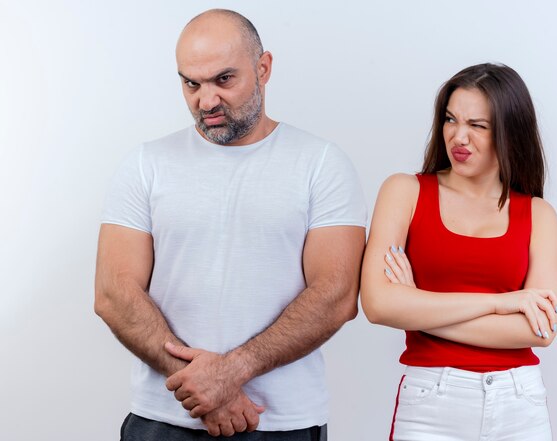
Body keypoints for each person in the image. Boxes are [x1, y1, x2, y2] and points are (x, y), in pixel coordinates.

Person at [94, 9, 366, 441]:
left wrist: (232, 372)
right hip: (163, 419)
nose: (206, 101)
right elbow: (114, 294)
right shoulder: (146, 164)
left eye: (224, 79)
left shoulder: (321, 164)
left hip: (281, 421)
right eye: (191, 83)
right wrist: (201, 385)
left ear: (263, 68)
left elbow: (336, 295)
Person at [360, 63, 557, 441]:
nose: (459, 136)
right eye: (451, 119)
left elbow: (540, 328)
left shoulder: (539, 214)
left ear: (509, 132)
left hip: (519, 402)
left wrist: (417, 306)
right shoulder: (404, 192)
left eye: (478, 125)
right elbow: (377, 304)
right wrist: (502, 303)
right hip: (430, 401)